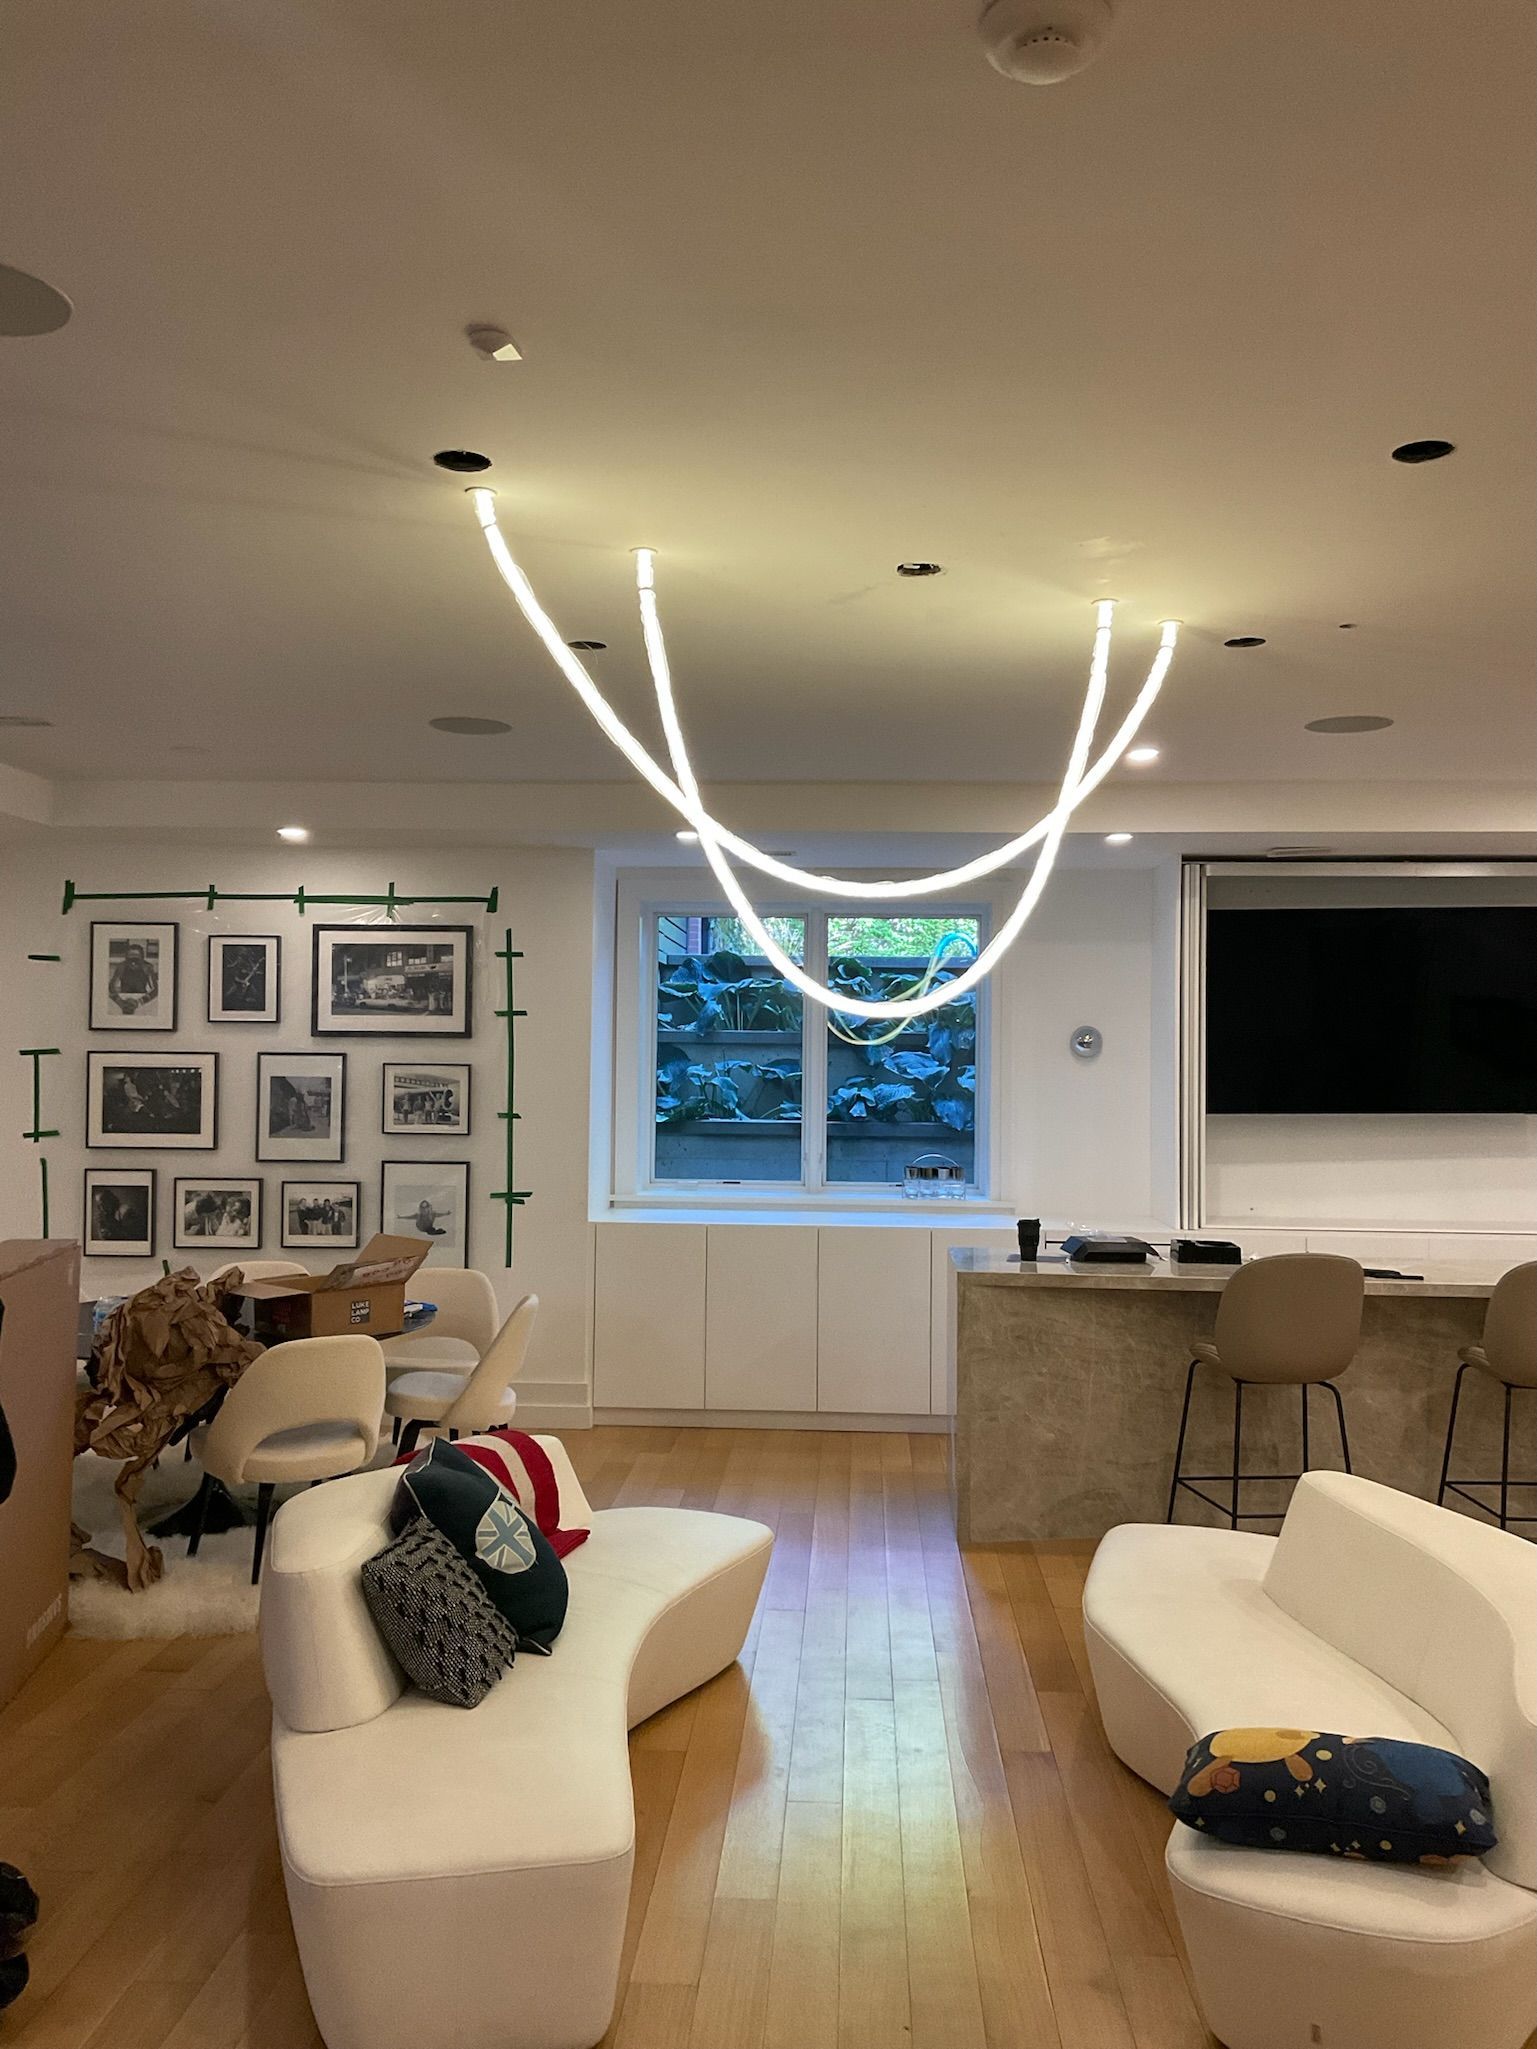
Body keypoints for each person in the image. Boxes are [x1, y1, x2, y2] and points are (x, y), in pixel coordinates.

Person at [107, 941, 158, 1015]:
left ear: (142, 957)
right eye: (130, 958)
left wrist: (140, 1002)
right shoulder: (121, 966)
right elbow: (111, 987)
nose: (133, 962)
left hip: (141, 998)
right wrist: (120, 1002)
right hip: (124, 997)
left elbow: (156, 990)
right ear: (126, 957)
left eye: (136, 958)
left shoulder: (147, 967)